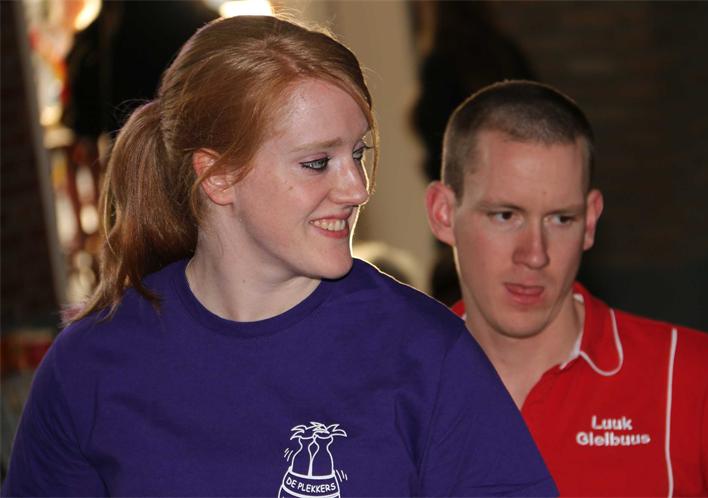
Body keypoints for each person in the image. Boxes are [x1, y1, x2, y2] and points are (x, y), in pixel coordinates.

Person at [2, 17, 557, 497]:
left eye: (358, 153)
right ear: (218, 176)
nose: (357, 188)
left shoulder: (425, 351)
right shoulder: (90, 367)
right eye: (318, 162)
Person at [425, 80, 708, 496]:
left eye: (562, 219)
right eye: (505, 215)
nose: (535, 254)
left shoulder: (704, 383)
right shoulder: (394, 391)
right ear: (443, 213)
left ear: (590, 221)